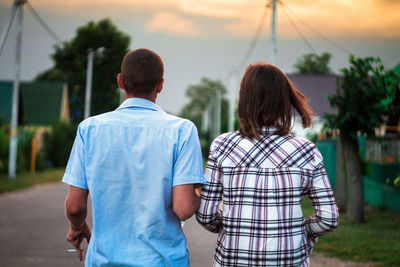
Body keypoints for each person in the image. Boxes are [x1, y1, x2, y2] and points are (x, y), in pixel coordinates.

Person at [63, 48, 206, 266]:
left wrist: (77, 226)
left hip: (104, 260)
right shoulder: (182, 131)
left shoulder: (89, 129)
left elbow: (75, 207)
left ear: (120, 81)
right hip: (163, 260)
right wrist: (197, 190)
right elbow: (183, 208)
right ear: (160, 85)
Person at [196, 62, 339, 267]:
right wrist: (300, 231)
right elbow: (329, 218)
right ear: (283, 99)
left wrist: (234, 227)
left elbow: (205, 215)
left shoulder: (223, 146)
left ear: (244, 99)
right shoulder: (306, 150)